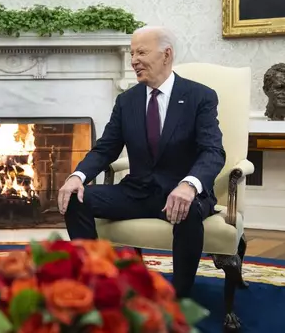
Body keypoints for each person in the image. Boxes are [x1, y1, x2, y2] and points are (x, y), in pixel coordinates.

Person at [58, 26, 226, 299]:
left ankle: (179, 297)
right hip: (136, 191)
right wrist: (77, 176)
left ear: (166, 55)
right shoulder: (127, 101)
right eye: (132, 53)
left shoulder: (200, 96)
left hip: (180, 193)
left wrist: (189, 185)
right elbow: (105, 150)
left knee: (188, 211)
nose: (133, 60)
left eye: (141, 52)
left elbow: (213, 151)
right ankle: (93, 284)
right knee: (76, 199)